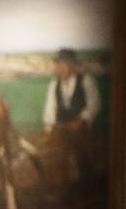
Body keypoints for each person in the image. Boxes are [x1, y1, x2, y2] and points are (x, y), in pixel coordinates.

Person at [42, 47, 101, 183]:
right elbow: (50, 107)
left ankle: (87, 185)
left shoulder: (86, 80)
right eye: (57, 65)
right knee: (58, 160)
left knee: (83, 158)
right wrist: (48, 130)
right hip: (60, 126)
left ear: (70, 65)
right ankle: (63, 188)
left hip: (80, 127)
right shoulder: (54, 84)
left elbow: (94, 103)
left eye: (60, 64)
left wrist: (81, 120)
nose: (58, 68)